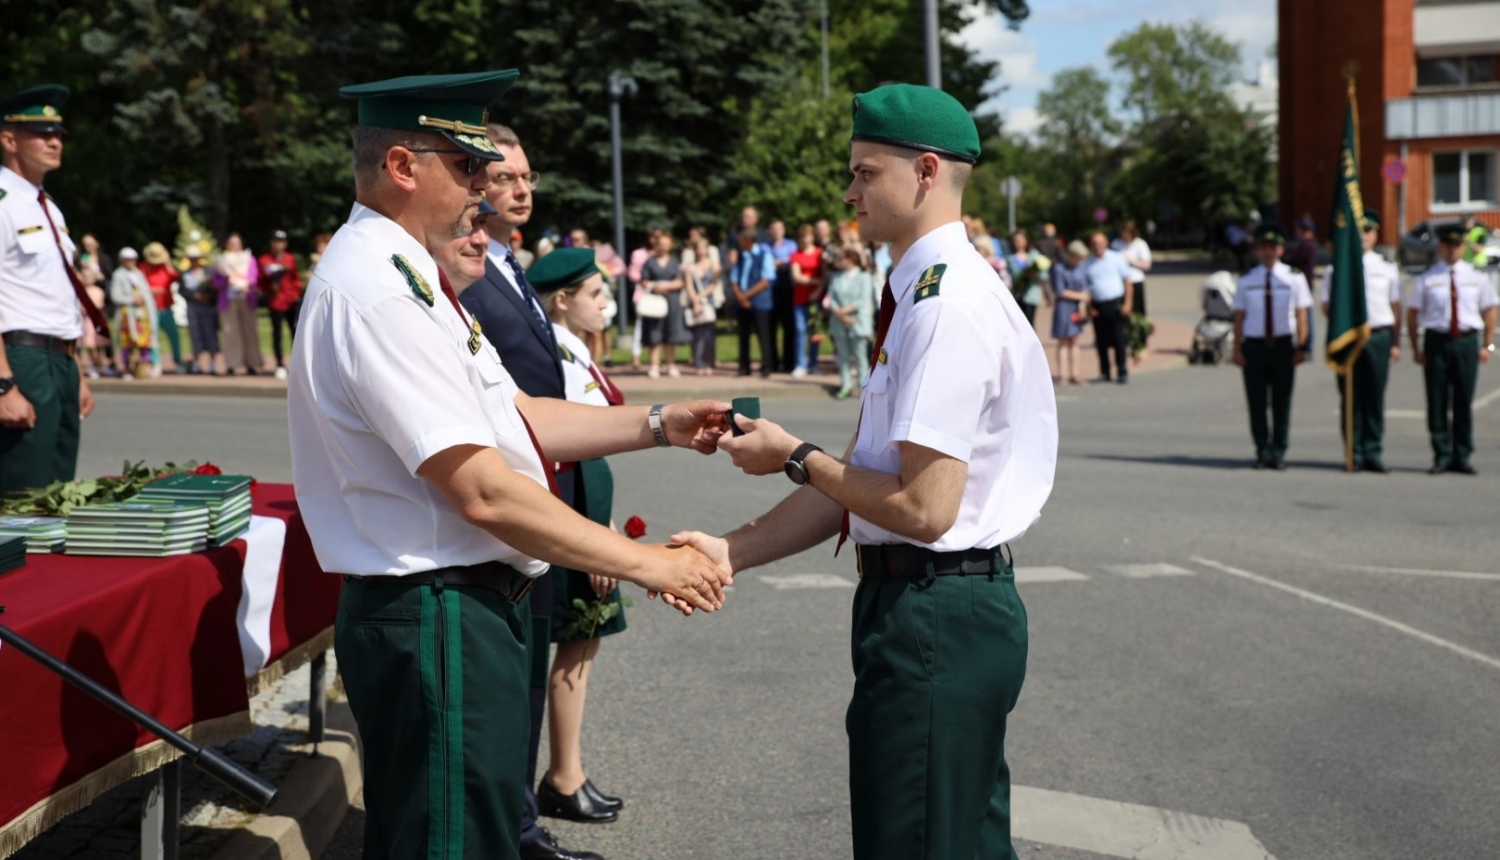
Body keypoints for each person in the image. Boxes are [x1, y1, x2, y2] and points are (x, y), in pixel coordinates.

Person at [291, 71, 729, 860]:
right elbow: (484, 490)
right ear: (401, 165)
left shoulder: (410, 273)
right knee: (455, 842)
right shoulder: (380, 290)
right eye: (466, 169)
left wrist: (661, 423)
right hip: (437, 611)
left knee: (455, 834)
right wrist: (648, 565)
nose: (483, 194)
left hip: (456, 611)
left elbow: (516, 416)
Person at [674, 83, 1056, 860]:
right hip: (932, 607)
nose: (849, 193)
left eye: (864, 172)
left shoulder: (944, 304)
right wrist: (732, 549)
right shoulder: (922, 292)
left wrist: (792, 454)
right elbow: (866, 485)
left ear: (923, 172)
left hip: (933, 611)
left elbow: (920, 507)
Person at [458, 124, 602, 860]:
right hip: (510, 505)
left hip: (545, 499)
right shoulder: (468, 274)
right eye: (502, 176)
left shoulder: (511, 266)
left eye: (526, 176)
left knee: (526, 674)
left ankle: (519, 828)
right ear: (472, 182)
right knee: (512, 685)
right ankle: (512, 833)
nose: (519, 189)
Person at [523, 248, 630, 827]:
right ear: (562, 301)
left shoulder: (575, 349)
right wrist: (593, 529)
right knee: (578, 635)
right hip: (571, 502)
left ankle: (567, 771)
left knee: (584, 639)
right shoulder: (558, 358)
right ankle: (563, 776)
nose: (606, 305)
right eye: (595, 295)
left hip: (588, 500)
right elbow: (566, 447)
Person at [0, 84, 104, 493]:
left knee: (57, 495)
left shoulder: (47, 206)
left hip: (57, 360)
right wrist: (3, 384)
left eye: (58, 133)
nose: (54, 141)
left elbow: (55, 293)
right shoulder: (4, 203)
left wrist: (74, 370)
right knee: (20, 498)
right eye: (41, 133)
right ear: (9, 139)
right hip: (21, 360)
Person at [1407, 222, 1498, 475]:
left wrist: (1487, 344)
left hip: (1466, 342)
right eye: (1448, 245)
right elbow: (1413, 313)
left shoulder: (1475, 276)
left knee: (1463, 401)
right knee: (1437, 401)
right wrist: (1415, 346)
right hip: (1437, 341)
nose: (1452, 250)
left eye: (1457, 245)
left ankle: (1463, 454)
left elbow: (1491, 309)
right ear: (1440, 246)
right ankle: (1441, 454)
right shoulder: (1427, 278)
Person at [1320, 210, 1402, 473]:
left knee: (1374, 397)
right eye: (1359, 230)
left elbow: (1395, 307)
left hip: (1378, 336)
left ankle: (1373, 451)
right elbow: (1327, 305)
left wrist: (1395, 342)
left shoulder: (1387, 269)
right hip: (1350, 337)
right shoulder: (1338, 267)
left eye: (1369, 230)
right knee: (1350, 396)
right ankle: (1352, 451)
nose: (1364, 236)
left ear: (1376, 234)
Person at [1233, 226, 1312, 470]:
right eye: (1263, 248)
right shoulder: (1247, 280)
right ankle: (1261, 449)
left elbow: (1301, 314)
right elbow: (1239, 317)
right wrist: (1237, 349)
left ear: (1281, 250)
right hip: (1254, 346)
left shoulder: (1294, 278)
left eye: (1273, 248)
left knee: (1281, 401)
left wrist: (1302, 345)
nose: (1268, 252)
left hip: (1282, 346)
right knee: (1256, 402)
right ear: (1257, 251)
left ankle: (1278, 451)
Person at [824, 244, 876, 398]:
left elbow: (862, 299)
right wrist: (839, 314)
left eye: (842, 258)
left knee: (860, 356)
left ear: (851, 259)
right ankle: (846, 384)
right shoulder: (836, 277)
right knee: (844, 356)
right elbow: (831, 298)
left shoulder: (864, 276)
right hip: (839, 321)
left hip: (857, 320)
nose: (838, 261)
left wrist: (845, 312)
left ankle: (863, 385)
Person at [1081, 231, 1133, 383]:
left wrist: (1128, 303)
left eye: (1100, 242)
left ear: (1106, 243)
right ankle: (1105, 371)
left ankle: (1122, 370)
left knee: (1118, 339)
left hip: (1115, 303)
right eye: (1094, 243)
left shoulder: (1116, 258)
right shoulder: (1088, 264)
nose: (1097, 246)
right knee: (1101, 341)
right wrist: (1088, 307)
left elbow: (1127, 281)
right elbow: (1086, 288)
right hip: (1098, 305)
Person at [639, 230, 688, 378]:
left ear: (671, 245)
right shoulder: (650, 261)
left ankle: (671, 364)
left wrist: (668, 286)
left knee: (670, 333)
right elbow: (643, 280)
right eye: (661, 244)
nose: (663, 247)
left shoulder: (674, 261)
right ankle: (654, 365)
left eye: (666, 244)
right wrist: (655, 286)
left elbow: (680, 281)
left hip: (672, 301)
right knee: (654, 333)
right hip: (655, 301)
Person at [214, 232, 263, 375]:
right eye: (231, 243)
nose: (234, 246)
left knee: (249, 331)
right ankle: (232, 363)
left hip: (246, 298)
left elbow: (254, 276)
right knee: (230, 332)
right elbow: (216, 281)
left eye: (237, 243)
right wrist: (228, 280)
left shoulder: (249, 259)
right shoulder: (221, 260)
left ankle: (252, 362)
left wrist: (246, 282)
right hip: (228, 301)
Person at [729, 226, 775, 377]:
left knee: (763, 335)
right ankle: (744, 366)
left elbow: (765, 281)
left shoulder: (764, 255)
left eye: (742, 241)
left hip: (759, 302)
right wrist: (739, 296)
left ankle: (767, 366)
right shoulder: (742, 256)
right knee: (743, 336)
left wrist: (746, 295)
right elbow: (734, 278)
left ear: (749, 241)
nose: (739, 244)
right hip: (743, 302)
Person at [259, 229, 303, 379]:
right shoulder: (265, 259)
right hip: (275, 301)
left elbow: (295, 278)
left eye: (281, 242)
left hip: (290, 300)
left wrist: (296, 293)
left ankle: (296, 364)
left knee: (295, 332)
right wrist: (270, 287)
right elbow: (262, 280)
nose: (279, 245)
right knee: (277, 334)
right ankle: (279, 364)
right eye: (276, 241)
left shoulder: (290, 259)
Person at [109, 247, 156, 378]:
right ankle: (126, 369)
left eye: (132, 260)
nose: (130, 262)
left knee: (144, 343)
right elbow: (115, 296)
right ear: (122, 261)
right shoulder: (118, 275)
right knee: (127, 344)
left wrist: (143, 298)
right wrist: (132, 299)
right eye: (127, 260)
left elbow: (146, 292)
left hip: (141, 315)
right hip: (126, 315)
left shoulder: (139, 274)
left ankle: (144, 367)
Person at [1050, 239, 1091, 386]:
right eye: (1078, 257)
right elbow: (1060, 291)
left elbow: (1084, 286)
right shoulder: (1059, 268)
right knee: (1063, 341)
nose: (1080, 261)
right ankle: (1063, 375)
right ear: (1071, 255)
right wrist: (1080, 296)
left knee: (1075, 340)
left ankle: (1075, 374)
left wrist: (1083, 304)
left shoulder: (1080, 268)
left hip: (1077, 307)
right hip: (1063, 306)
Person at [681, 226, 721, 376]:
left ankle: (710, 361)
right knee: (697, 335)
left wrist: (702, 297)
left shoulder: (714, 265)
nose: (701, 250)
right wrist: (695, 301)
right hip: (696, 303)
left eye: (704, 247)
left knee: (709, 335)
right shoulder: (691, 267)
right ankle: (699, 363)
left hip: (709, 301)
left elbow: (714, 284)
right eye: (699, 247)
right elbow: (689, 285)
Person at [179, 246, 222, 375]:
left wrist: (208, 295)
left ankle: (213, 364)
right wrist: (194, 296)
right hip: (193, 307)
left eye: (196, 259)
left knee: (210, 333)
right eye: (191, 259)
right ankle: (197, 364)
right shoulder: (184, 273)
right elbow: (182, 290)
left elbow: (215, 287)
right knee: (195, 334)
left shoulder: (208, 271)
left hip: (208, 306)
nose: (194, 261)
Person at [140, 242, 181, 374]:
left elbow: (175, 277)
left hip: (166, 308)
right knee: (153, 337)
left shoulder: (165, 268)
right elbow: (138, 286)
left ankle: (178, 361)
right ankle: (155, 363)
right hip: (151, 309)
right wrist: (151, 291)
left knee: (174, 335)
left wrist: (168, 263)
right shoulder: (143, 268)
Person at [789, 223, 824, 377]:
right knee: (800, 330)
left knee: (814, 332)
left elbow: (825, 276)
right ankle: (800, 364)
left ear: (812, 237)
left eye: (808, 236)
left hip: (816, 298)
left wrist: (817, 290)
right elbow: (796, 276)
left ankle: (814, 363)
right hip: (800, 298)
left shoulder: (819, 253)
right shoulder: (796, 255)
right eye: (802, 236)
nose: (805, 239)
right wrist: (813, 281)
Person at [75, 232, 111, 379]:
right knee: (89, 337)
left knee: (101, 335)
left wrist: (98, 278)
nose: (88, 247)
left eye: (91, 243)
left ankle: (103, 363)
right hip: (87, 299)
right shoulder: (83, 259)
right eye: (86, 245)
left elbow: (108, 278)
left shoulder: (103, 260)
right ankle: (95, 365)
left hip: (100, 301)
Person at [766, 219, 796, 373]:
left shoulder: (791, 245)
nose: (777, 231)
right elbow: (765, 262)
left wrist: (777, 262)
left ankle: (789, 363)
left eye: (779, 229)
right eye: (774, 229)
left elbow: (793, 261)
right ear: (770, 231)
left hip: (788, 290)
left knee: (788, 328)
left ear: (784, 231)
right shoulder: (765, 246)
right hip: (771, 291)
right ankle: (772, 363)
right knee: (771, 328)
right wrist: (781, 262)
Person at [1004, 229, 1050, 327]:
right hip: (1016, 295)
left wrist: (1036, 275)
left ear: (1026, 240)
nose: (1017, 243)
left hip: (1031, 295)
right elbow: (1007, 276)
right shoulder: (1009, 258)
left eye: (1019, 240)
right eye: (1015, 241)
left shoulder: (1034, 256)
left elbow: (1044, 275)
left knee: (1029, 323)